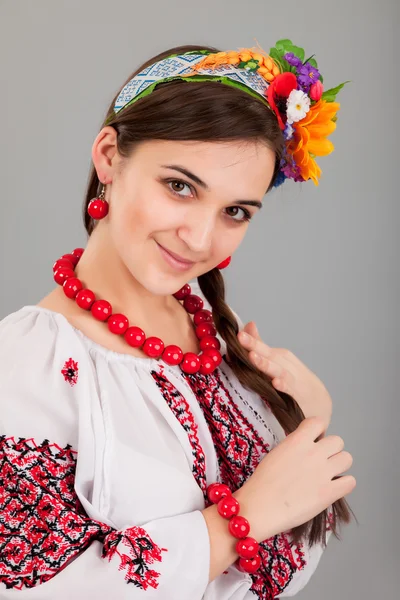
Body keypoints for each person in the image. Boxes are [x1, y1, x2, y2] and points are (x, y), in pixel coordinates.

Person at [0, 40, 356, 599]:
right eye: (180, 186)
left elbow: (289, 552)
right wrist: (243, 517)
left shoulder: (218, 327)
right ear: (109, 156)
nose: (200, 239)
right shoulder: (26, 367)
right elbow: (28, 587)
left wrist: (308, 417)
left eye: (235, 212)